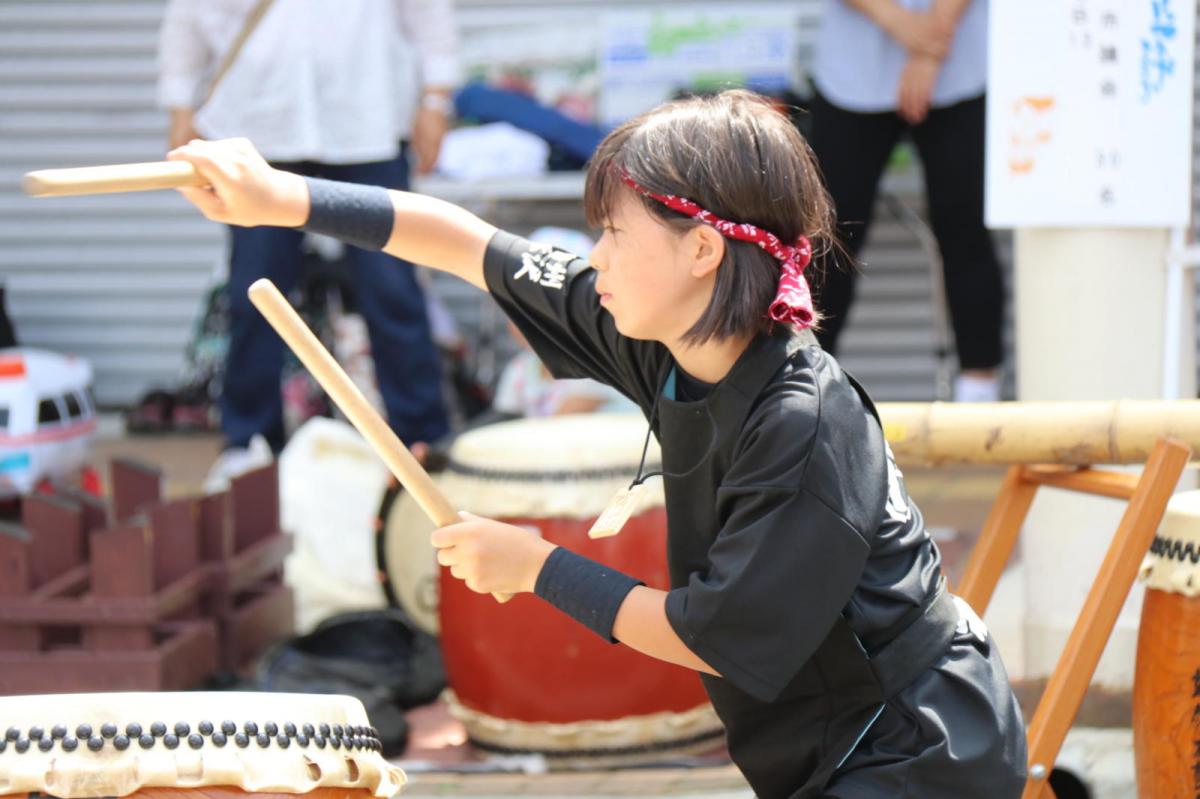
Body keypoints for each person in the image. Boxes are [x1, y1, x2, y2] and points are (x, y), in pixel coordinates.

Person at [167, 90, 1027, 798]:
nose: (595, 255)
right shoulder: (658, 335)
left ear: (701, 249)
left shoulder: (803, 423)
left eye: (615, 232)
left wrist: (536, 566)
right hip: (827, 740)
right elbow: (467, 243)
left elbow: (709, 633)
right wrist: (284, 198)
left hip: (920, 749)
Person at [157, 0, 459, 484]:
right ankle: (248, 442)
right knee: (254, 292)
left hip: (366, 123)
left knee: (393, 291)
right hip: (261, 131)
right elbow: (188, 19)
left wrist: (436, 101)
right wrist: (180, 108)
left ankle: (423, 441)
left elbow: (428, 13)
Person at [808, 0, 1005, 402]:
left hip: (958, 58)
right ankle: (802, 383)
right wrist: (904, 26)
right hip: (854, 68)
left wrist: (930, 43)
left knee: (965, 226)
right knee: (829, 234)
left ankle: (979, 391)